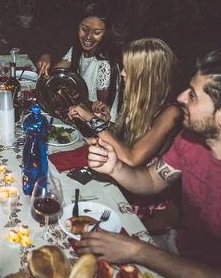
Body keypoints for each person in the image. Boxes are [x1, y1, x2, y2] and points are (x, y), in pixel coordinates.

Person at [76, 49, 221, 278]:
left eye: (193, 95)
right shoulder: (191, 140)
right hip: (176, 247)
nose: (180, 97)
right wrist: (115, 167)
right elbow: (151, 180)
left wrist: (139, 251)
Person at [68, 38, 183, 220]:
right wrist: (106, 125)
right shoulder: (139, 102)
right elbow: (127, 144)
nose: (122, 73)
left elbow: (132, 158)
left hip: (142, 199)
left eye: (129, 68)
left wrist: (90, 118)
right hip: (122, 181)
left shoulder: (171, 113)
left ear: (146, 74)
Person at [36, 3, 122, 121]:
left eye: (97, 32)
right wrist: (45, 57)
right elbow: (53, 77)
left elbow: (101, 110)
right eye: (84, 29)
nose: (88, 37)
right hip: (81, 113)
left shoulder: (104, 65)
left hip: (100, 125)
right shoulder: (78, 49)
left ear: (106, 33)